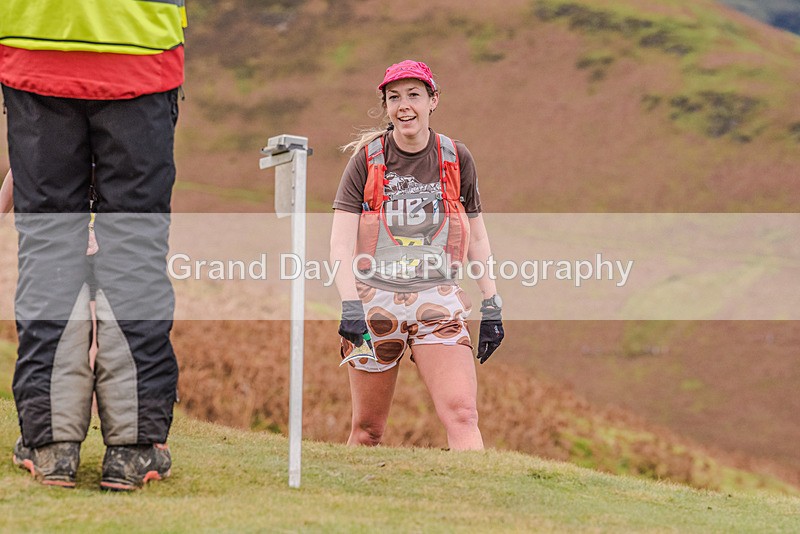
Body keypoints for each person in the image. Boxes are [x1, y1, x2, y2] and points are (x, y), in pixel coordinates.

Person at [1, 0, 186, 490]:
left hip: (33, 49)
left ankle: (52, 444)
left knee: (49, 250)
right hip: (141, 51)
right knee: (133, 250)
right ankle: (133, 446)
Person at [330, 60, 505, 451]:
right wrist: (349, 305)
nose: (403, 106)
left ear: (433, 101)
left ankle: (478, 506)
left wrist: (491, 302)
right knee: (367, 430)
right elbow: (340, 243)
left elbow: (475, 234)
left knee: (463, 415)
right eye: (394, 98)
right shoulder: (366, 160)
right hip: (375, 305)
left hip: (438, 301)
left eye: (414, 95)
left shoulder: (456, 158)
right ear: (386, 106)